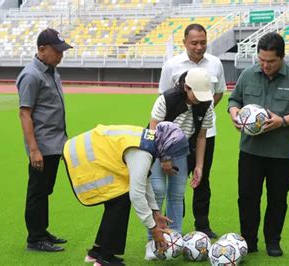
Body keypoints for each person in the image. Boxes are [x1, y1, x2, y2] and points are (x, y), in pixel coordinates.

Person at [227, 32, 289, 257]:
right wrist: (235, 113)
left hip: (283, 153)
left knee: (277, 199)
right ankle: (249, 241)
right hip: (250, 150)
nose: (265, 65)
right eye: (261, 60)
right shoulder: (247, 75)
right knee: (247, 197)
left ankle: (273, 241)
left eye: (271, 61)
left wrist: (282, 121)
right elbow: (234, 99)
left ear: (282, 57)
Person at [63, 122, 189, 266]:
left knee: (118, 200)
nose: (171, 158)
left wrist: (156, 212)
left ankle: (96, 253)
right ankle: (104, 260)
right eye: (172, 153)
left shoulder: (150, 141)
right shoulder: (142, 154)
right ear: (166, 147)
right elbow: (137, 194)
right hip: (84, 159)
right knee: (120, 200)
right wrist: (153, 228)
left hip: (87, 153)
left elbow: (144, 180)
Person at [158, 23, 226, 239]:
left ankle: (202, 225)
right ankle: (173, 225)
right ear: (185, 43)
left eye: (203, 42)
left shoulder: (215, 63)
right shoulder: (172, 65)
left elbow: (219, 92)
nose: (199, 47)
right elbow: (164, 97)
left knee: (202, 178)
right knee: (175, 179)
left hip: (206, 132)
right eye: (194, 43)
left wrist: (201, 111)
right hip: (175, 137)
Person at [145, 67, 214, 260]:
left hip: (182, 151)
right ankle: (153, 241)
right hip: (156, 147)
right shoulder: (166, 99)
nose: (199, 99)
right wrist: (164, 158)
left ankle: (175, 239)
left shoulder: (206, 103)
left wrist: (199, 166)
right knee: (157, 190)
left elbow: (201, 137)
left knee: (177, 194)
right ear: (186, 87)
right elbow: (154, 129)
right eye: (195, 94)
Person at [17, 28, 72, 252]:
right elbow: (24, 113)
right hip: (42, 145)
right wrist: (33, 150)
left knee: (45, 190)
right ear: (41, 49)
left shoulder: (51, 71)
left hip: (54, 142)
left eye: (62, 51)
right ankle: (35, 239)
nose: (61, 55)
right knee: (37, 191)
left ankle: (42, 231)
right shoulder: (31, 75)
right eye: (57, 51)